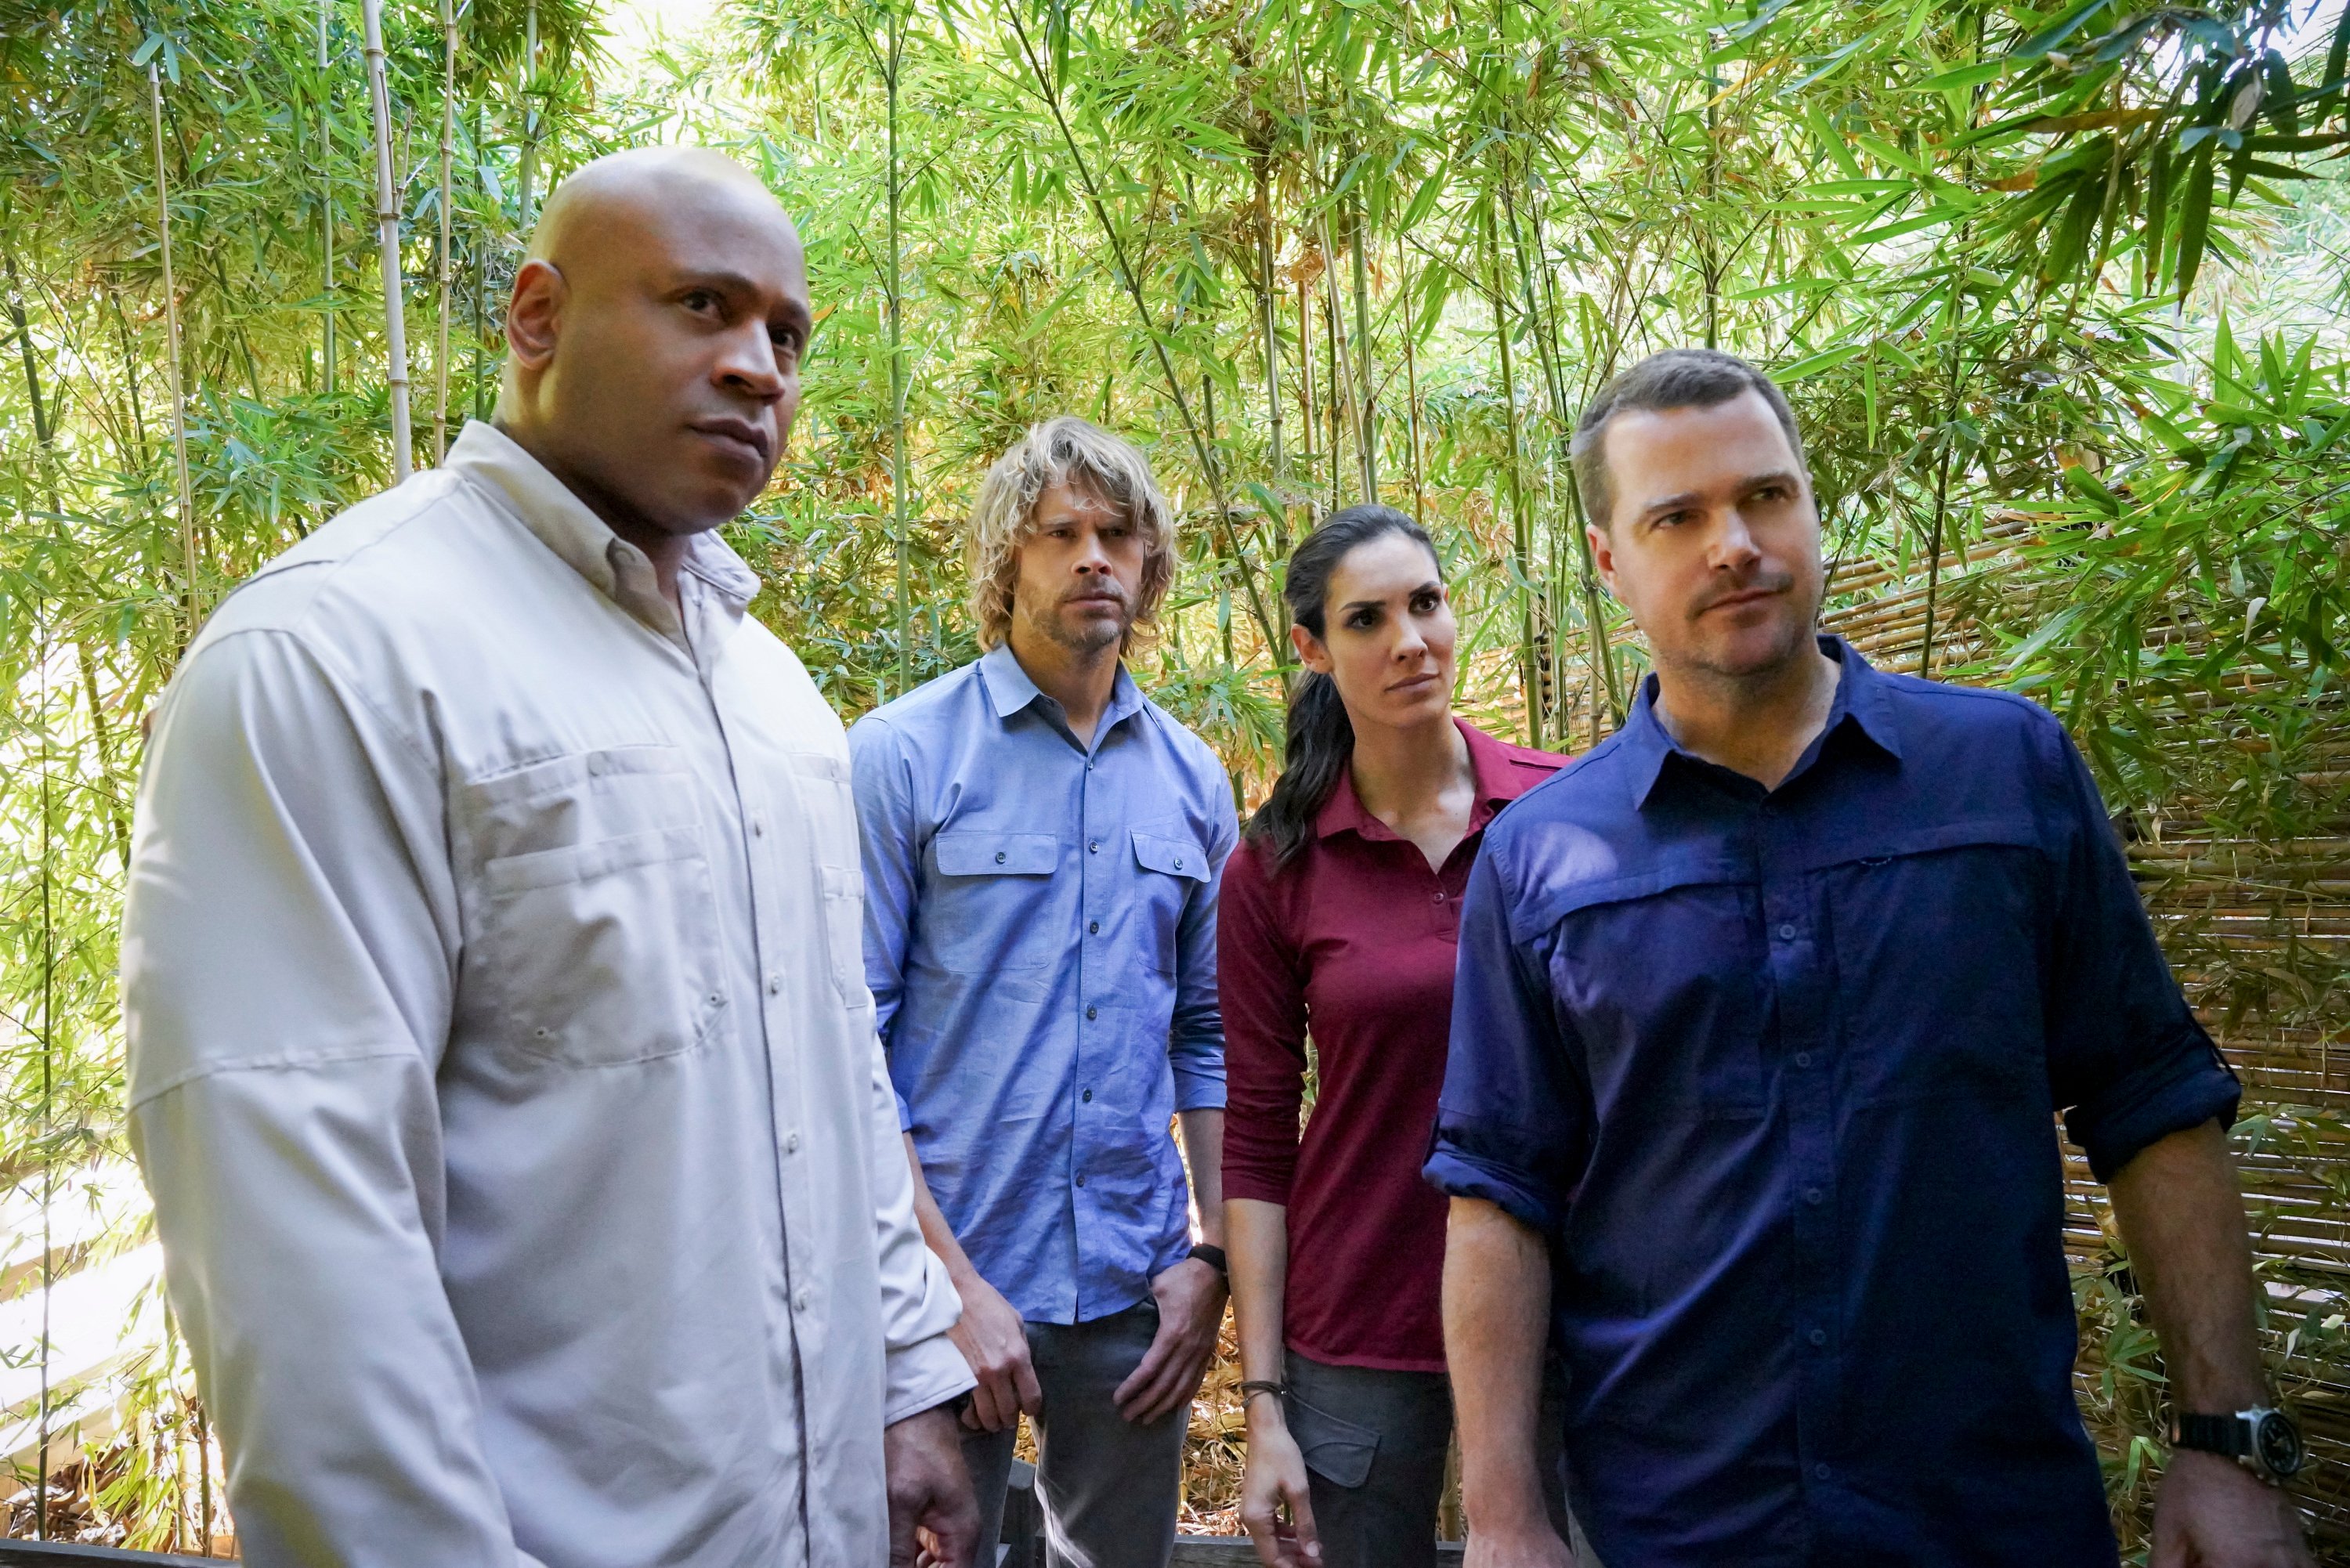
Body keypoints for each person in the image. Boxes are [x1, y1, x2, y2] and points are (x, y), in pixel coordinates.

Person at [121, 148, 979, 1568]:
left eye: (787, 334)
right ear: (535, 319)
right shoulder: (339, 658)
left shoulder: (777, 701)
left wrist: (904, 1384)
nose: (760, 366)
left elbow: (835, 1074)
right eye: (703, 305)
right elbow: (308, 1273)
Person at [1427, 347, 2313, 1568]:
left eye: (1766, 494)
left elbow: (2154, 1105)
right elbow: (1500, 1202)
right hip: (1680, 1528)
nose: (1733, 541)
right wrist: (1508, 1518)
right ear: (1608, 562)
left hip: (1989, 1516)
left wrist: (2226, 1442)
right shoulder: (1539, 859)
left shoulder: (2007, 776)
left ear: (1810, 506)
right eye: (1677, 516)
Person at [849, 415, 1239, 1568]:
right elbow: (847, 1046)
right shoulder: (902, 756)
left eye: (1119, 533)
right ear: (1005, 561)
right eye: (1060, 532)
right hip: (938, 1286)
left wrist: (1208, 1259)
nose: (1093, 556)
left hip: (1133, 1288)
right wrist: (947, 1283)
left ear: (1151, 561)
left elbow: (1209, 1036)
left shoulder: (1191, 779)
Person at [1217, 506, 1578, 1568]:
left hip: (1563, 1301)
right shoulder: (1275, 864)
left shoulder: (1565, 811)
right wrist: (1264, 1402)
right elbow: (1254, 1136)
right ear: (1315, 651)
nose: (1410, 639)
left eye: (1426, 602)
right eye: (1368, 619)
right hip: (1363, 1314)